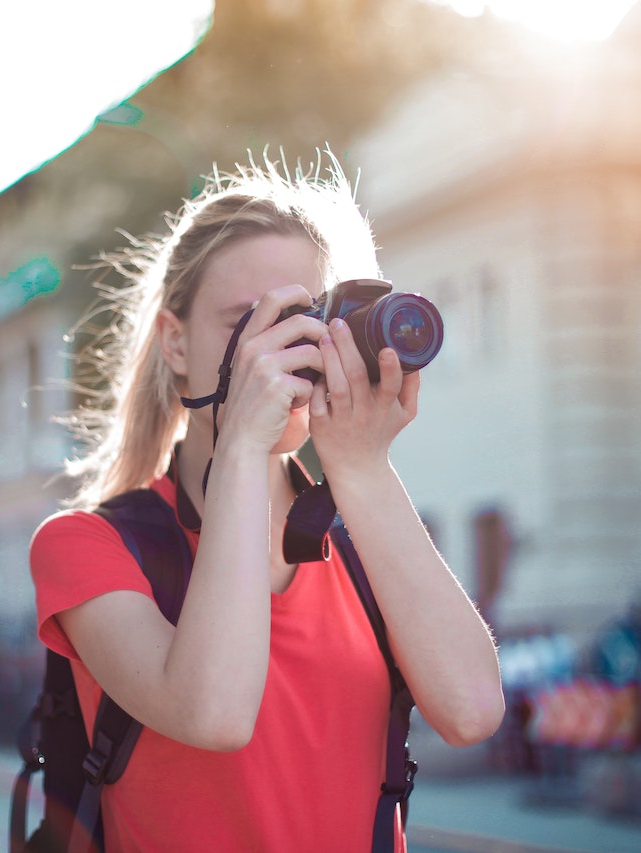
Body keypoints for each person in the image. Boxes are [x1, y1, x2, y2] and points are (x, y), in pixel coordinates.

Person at [30, 152, 504, 852]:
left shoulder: (361, 542)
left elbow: (471, 712)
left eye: (305, 319)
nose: (278, 351)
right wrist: (244, 448)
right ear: (175, 343)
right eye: (247, 322)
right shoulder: (86, 548)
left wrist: (361, 468)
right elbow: (214, 712)